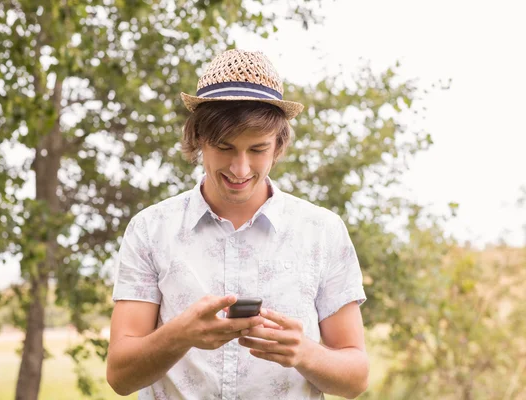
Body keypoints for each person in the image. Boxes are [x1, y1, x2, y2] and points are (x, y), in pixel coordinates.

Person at [106, 49, 369, 399]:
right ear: (199, 139)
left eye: (257, 150)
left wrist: (304, 352)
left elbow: (356, 380)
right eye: (224, 147)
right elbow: (120, 377)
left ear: (278, 145)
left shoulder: (322, 231)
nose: (240, 169)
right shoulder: (149, 230)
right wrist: (180, 334)